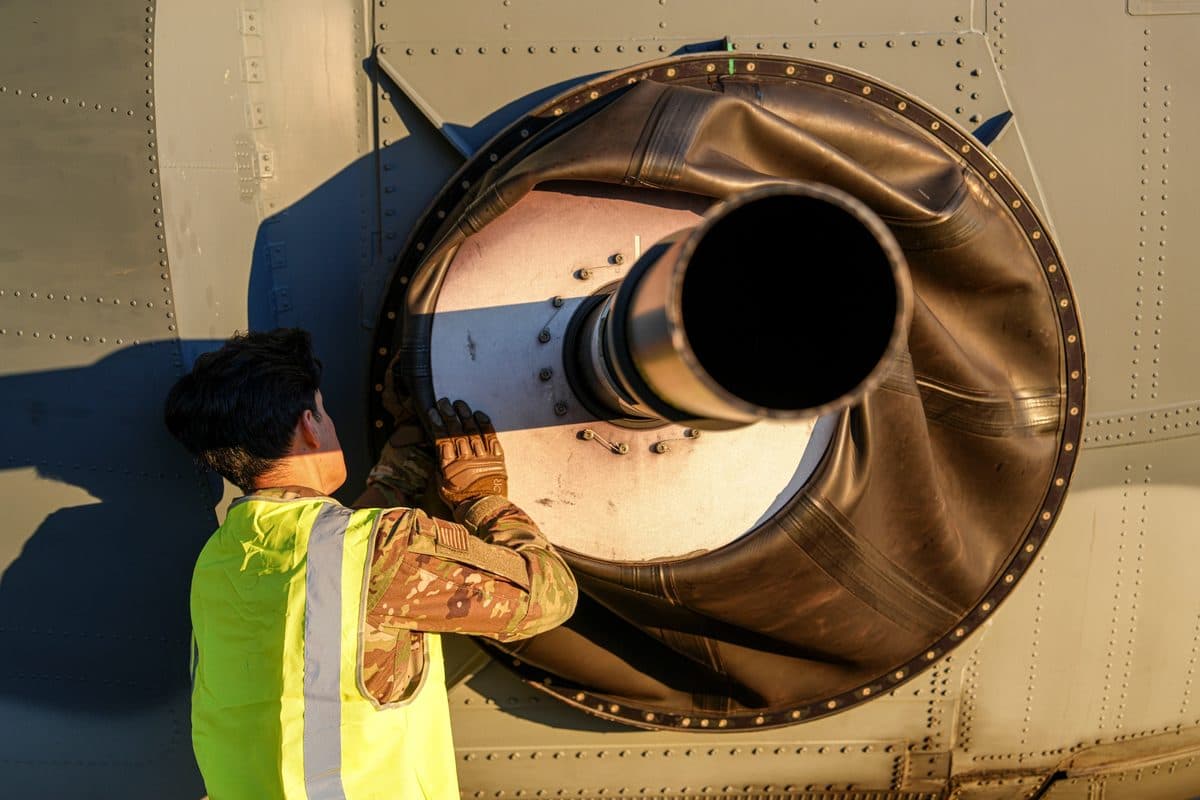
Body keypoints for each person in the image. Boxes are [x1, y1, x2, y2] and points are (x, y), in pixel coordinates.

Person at [163, 328, 578, 800]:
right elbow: (547, 596)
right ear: (307, 425)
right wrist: (483, 500)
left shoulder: (220, 559)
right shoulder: (384, 551)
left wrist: (400, 469)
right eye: (325, 411)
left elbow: (337, 565)